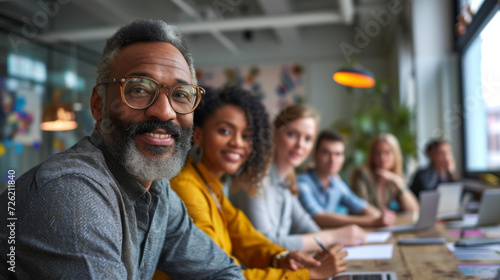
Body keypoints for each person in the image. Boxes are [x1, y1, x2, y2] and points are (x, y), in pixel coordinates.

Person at [0, 19, 244, 280]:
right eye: (138, 89)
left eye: (181, 94)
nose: (164, 111)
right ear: (98, 104)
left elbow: (223, 272)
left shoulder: (159, 192)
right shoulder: (71, 193)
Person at [155, 87, 348, 280]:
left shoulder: (211, 185)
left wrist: (280, 257)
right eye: (225, 131)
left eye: (246, 136)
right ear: (198, 135)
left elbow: (246, 238)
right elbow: (215, 275)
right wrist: (307, 275)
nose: (237, 143)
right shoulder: (186, 188)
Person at [231, 104, 367, 252]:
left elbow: (304, 225)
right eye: (292, 134)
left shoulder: (287, 181)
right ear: (274, 134)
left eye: (308, 139)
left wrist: (334, 240)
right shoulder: (254, 179)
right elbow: (265, 245)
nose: (300, 145)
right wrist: (332, 237)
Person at [297, 130, 396, 228]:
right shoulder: (302, 183)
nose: (333, 159)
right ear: (315, 154)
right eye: (326, 153)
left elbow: (361, 205)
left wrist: (381, 216)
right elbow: (319, 217)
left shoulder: (336, 183)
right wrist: (372, 221)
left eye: (338, 154)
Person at [350, 133, 419, 213]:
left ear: (395, 155)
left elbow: (414, 209)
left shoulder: (393, 179)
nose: (382, 158)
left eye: (387, 152)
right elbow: (361, 208)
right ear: (372, 155)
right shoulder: (362, 174)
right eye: (377, 153)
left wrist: (400, 185)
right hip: (363, 224)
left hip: (382, 223)